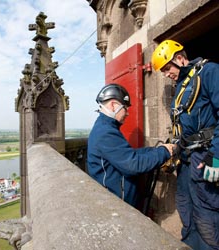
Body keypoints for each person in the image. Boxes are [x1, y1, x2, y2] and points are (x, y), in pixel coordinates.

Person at [151, 39, 219, 250]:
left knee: (206, 209)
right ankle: (190, 243)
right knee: (185, 204)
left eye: (166, 68)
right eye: (162, 71)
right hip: (186, 160)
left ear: (179, 58)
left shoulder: (209, 72)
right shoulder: (182, 86)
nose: (165, 74)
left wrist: (216, 156)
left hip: (206, 156)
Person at [87, 83, 175, 209]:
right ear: (113, 105)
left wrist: (153, 150)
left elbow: (126, 154)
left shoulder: (105, 127)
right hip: (118, 205)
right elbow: (133, 164)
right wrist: (164, 152)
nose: (127, 113)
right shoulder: (106, 132)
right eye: (125, 108)